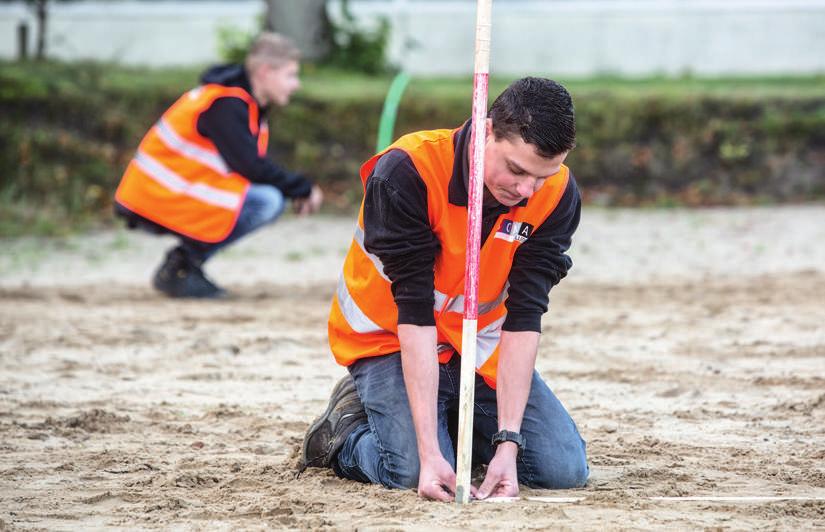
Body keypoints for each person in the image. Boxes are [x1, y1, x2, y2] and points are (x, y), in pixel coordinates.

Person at [301, 77, 588, 501]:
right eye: (516, 170)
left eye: (541, 177)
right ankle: (344, 431)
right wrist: (430, 453)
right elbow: (414, 311)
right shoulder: (407, 171)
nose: (527, 191)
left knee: (562, 470)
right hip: (390, 340)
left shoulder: (558, 195)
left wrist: (508, 444)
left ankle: (452, 419)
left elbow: (526, 317)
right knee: (413, 470)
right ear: (487, 130)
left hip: (478, 344)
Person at [114, 32, 323, 298]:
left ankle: (184, 265)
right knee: (267, 201)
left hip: (164, 193)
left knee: (266, 198)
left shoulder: (239, 101)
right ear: (266, 71)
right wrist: (302, 188)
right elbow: (250, 167)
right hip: (155, 197)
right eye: (291, 75)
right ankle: (181, 266)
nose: (296, 84)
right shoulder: (225, 104)